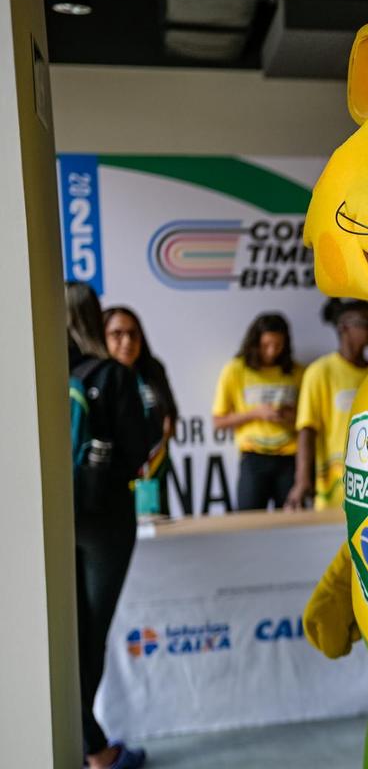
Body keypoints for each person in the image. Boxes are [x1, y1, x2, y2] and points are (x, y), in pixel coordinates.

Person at [67, 282, 152, 769]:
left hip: (54, 519)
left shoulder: (42, 369)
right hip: (104, 522)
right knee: (89, 637)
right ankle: (94, 750)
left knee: (63, 636)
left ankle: (84, 744)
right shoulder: (112, 375)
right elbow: (139, 451)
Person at [287, 299, 368, 511]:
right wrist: (302, 481)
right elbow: (307, 430)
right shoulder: (320, 372)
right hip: (332, 491)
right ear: (344, 328)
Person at [212, 313, 304, 510]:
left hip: (289, 457)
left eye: (277, 345)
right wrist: (256, 413)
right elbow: (218, 421)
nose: (271, 352)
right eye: (266, 345)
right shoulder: (236, 370)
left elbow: (307, 419)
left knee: (290, 523)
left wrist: (289, 416)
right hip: (253, 456)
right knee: (248, 521)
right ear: (255, 343)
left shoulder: (297, 372)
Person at [103, 306, 178, 515]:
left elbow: (169, 410)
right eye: (117, 334)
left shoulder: (152, 369)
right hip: (117, 476)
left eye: (133, 334)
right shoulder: (100, 377)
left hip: (155, 469)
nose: (127, 341)